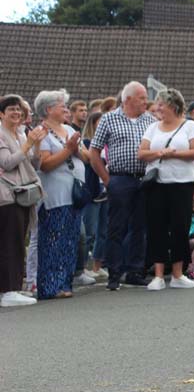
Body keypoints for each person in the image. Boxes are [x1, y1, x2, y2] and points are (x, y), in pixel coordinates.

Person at [89, 81, 154, 290]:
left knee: (140, 227)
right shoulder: (109, 119)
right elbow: (94, 151)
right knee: (116, 227)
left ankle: (135, 270)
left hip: (144, 178)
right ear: (128, 99)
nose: (145, 102)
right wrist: (107, 179)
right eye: (142, 98)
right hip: (120, 178)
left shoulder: (150, 120)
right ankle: (114, 274)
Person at [137, 88, 194, 291]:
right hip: (157, 184)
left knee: (180, 227)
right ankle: (158, 275)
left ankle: (177, 274)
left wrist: (174, 154)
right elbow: (142, 153)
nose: (158, 108)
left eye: (161, 105)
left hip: (183, 183)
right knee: (156, 227)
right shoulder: (153, 127)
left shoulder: (189, 126)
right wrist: (160, 153)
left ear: (173, 106)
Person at [34, 90, 89, 300]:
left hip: (74, 193)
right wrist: (68, 150)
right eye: (61, 106)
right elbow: (45, 164)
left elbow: (86, 156)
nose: (66, 109)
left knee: (70, 240)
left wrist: (76, 150)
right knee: (53, 240)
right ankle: (49, 286)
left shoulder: (69, 129)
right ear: (48, 109)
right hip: (55, 195)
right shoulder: (42, 132)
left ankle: (65, 283)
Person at [0, 95, 45, 307]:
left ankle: (11, 288)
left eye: (19, 109)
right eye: (11, 109)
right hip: (7, 196)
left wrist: (37, 145)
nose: (17, 113)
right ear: (1, 114)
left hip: (23, 194)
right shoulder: (1, 134)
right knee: (10, 242)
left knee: (18, 241)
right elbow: (7, 162)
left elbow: (34, 164)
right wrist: (28, 144)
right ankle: (9, 290)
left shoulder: (19, 134)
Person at [79, 109, 109, 283]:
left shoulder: (108, 143)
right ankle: (83, 267)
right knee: (89, 231)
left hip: (106, 189)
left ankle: (98, 265)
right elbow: (90, 162)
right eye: (100, 122)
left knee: (103, 230)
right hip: (93, 191)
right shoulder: (87, 142)